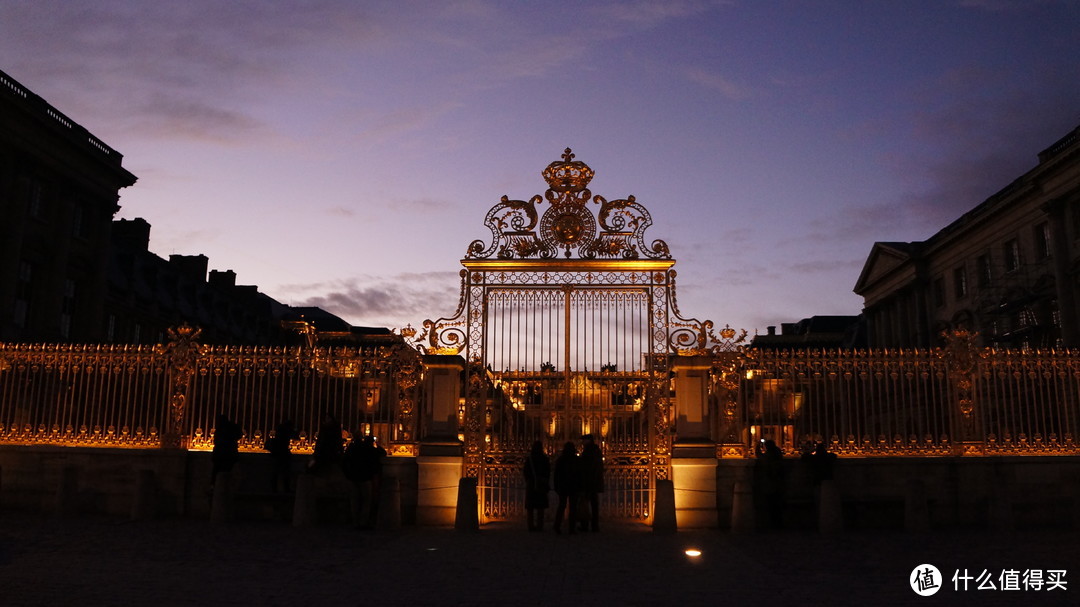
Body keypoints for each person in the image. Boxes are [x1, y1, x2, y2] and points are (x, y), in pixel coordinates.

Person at [343, 434, 387, 529]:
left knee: (354, 500)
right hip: (365, 477)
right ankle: (363, 522)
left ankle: (355, 522)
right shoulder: (371, 450)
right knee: (366, 501)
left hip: (353, 477)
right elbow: (383, 453)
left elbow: (345, 460)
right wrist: (377, 445)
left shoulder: (353, 449)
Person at [756, 439, 786, 528]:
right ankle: (778, 523)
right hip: (779, 483)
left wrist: (757, 446)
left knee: (770, 504)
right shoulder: (778, 454)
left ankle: (772, 524)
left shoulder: (769, 456)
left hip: (770, 482)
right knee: (778, 505)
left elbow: (759, 456)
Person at [578, 434, 604, 532]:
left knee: (584, 504)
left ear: (588, 441)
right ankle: (595, 525)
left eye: (584, 440)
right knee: (594, 505)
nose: (582, 442)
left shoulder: (588, 451)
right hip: (595, 481)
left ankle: (585, 525)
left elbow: (586, 467)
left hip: (588, 481)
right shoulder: (596, 450)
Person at [522, 440, 551, 532]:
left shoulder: (530, 459)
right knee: (540, 507)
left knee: (530, 508)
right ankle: (540, 526)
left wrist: (529, 480)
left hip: (531, 484)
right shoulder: (544, 458)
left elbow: (526, 471)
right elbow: (548, 471)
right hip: (541, 483)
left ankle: (530, 526)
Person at [552, 441, 579, 534]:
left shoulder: (561, 460)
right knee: (573, 508)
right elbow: (580, 474)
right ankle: (572, 528)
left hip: (563, 486)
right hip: (573, 486)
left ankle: (557, 525)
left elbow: (556, 474)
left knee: (561, 506)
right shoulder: (576, 460)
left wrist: (556, 486)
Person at [210, 413, 242, 489]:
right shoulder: (232, 428)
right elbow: (239, 435)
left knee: (217, 471)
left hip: (220, 454)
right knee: (228, 471)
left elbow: (216, 441)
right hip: (230, 454)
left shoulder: (220, 429)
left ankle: (214, 486)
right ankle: (226, 486)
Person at [265, 419, 296, 492]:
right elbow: (295, 436)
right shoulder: (287, 431)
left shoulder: (280, 430)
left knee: (276, 472)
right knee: (285, 472)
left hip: (277, 453)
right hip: (283, 453)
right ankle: (285, 488)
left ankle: (274, 489)